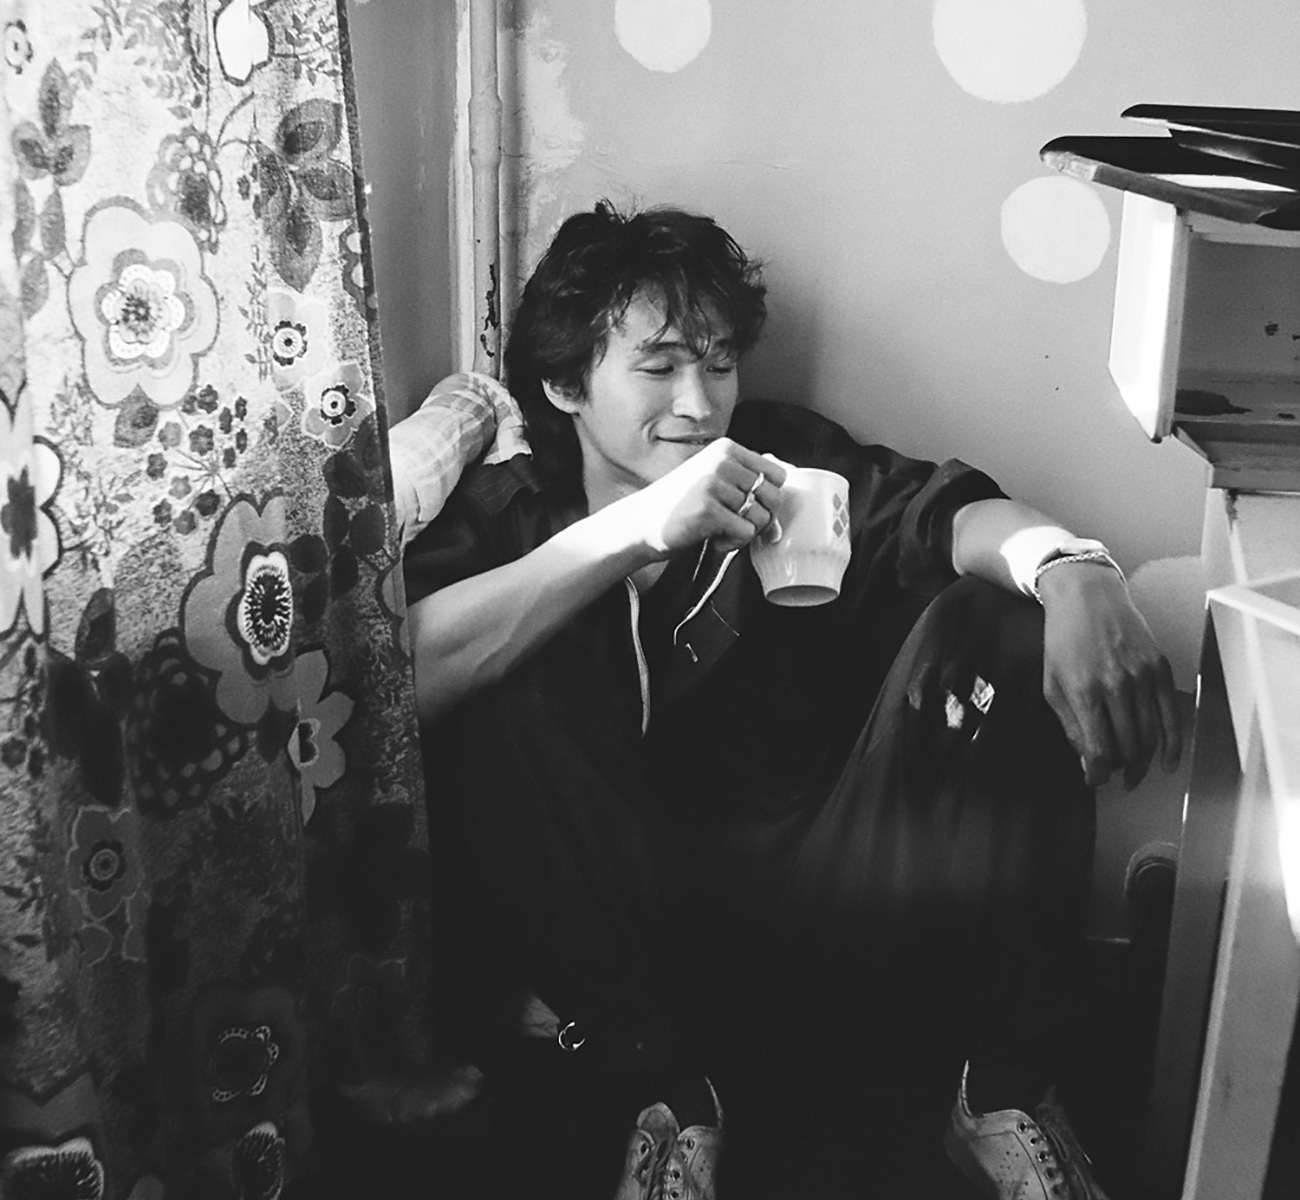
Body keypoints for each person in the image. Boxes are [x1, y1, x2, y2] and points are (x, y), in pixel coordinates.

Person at [402, 202, 1181, 1200]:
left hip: (813, 904)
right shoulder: (512, 509)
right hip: (616, 951)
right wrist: (635, 533)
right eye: (658, 367)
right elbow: (404, 678)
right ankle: (667, 1101)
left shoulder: (779, 467)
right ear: (565, 385)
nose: (699, 404)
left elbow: (941, 516)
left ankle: (1000, 1086)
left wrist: (1072, 570)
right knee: (511, 676)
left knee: (999, 623)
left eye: (720, 363)